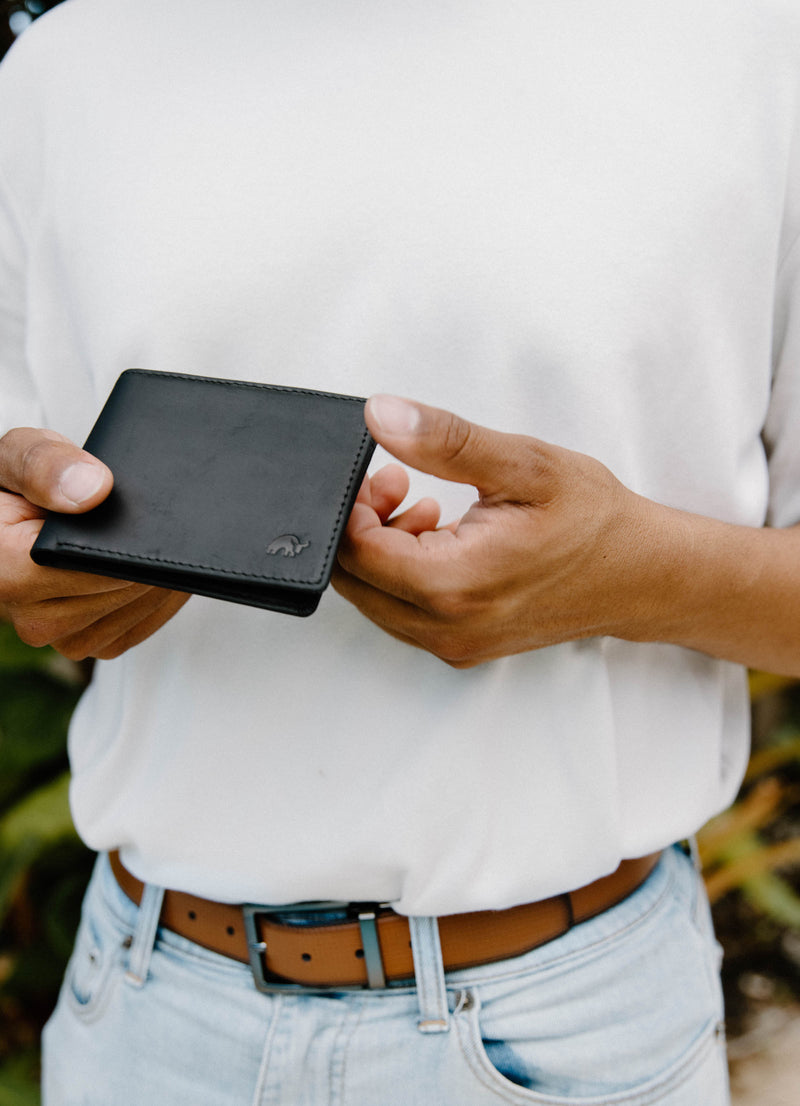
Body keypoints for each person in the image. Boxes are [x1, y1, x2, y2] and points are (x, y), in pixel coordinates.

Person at [1, 0, 799, 1102]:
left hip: (569, 1026)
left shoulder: (753, 46)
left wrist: (626, 573)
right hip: (143, 1016)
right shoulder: (61, 68)